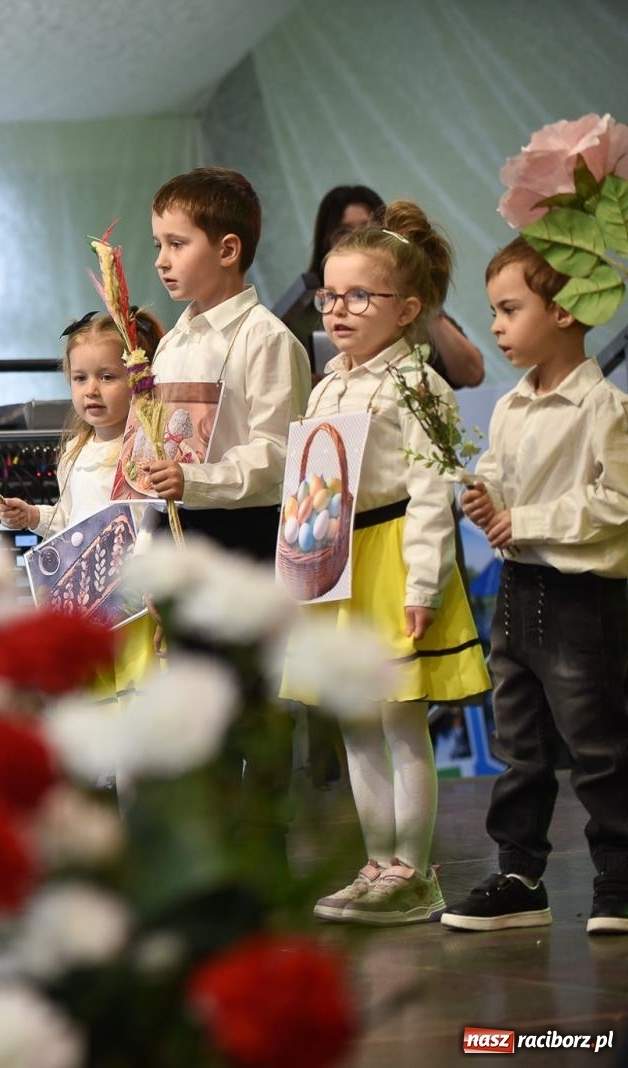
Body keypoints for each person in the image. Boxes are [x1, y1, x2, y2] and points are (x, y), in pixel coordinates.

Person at [287, 202, 490, 926]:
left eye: (359, 296)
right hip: (340, 563)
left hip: (397, 560)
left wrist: (426, 583)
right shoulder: (326, 383)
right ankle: (377, 864)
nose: (339, 310)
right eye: (330, 295)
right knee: (356, 724)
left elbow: (436, 491)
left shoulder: (420, 384)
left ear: (407, 310)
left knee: (401, 722)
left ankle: (414, 869)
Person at [440, 238, 628, 935]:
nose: (496, 326)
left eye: (510, 309)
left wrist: (527, 517)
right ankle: (520, 874)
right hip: (519, 594)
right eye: (494, 310)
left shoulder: (604, 408)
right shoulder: (513, 405)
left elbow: (617, 503)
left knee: (600, 747)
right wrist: (484, 499)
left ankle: (619, 878)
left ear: (567, 311)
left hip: (581, 601)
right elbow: (497, 474)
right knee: (520, 745)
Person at [142, 166, 312, 561]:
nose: (161, 262)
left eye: (177, 244)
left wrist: (195, 480)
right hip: (174, 526)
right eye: (158, 246)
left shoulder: (266, 339)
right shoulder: (170, 343)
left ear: (227, 250)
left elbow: (278, 454)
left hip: (241, 535)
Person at [0, 308, 166, 690]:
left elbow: (154, 522)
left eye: (107, 377)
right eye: (80, 378)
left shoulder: (145, 448)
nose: (91, 389)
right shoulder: (75, 450)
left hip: (133, 602)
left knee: (136, 693)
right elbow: (74, 525)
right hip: (87, 604)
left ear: (138, 378)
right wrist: (34, 517)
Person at [285, 185, 485, 389]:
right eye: (343, 232)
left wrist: (430, 306)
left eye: (366, 227)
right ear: (325, 241)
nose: (357, 238)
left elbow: (471, 374)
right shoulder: (301, 318)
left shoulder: (412, 311)